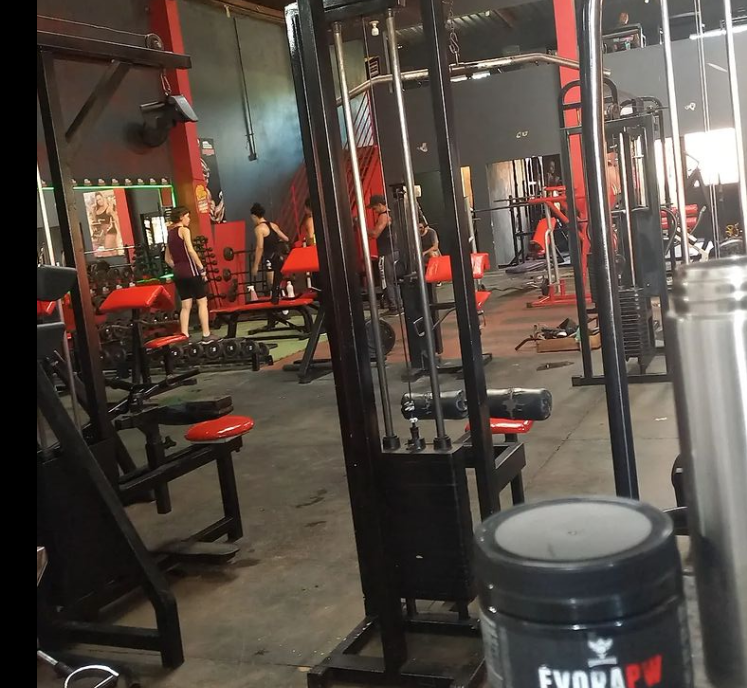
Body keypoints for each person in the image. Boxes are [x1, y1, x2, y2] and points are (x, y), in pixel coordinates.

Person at [164, 206, 217, 343]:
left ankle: (184, 336)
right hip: (191, 271)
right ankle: (206, 335)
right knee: (202, 302)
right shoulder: (184, 230)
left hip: (178, 274)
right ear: (181, 217)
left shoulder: (170, 234)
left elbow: (167, 259)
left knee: (185, 306)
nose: (189, 219)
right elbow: (191, 250)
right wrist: (201, 268)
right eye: (187, 216)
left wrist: (178, 267)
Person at [367, 194, 402, 314]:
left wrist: (361, 226)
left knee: (387, 281)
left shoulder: (383, 216)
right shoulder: (391, 214)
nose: (374, 211)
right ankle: (398, 305)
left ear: (379, 205)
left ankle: (393, 306)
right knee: (394, 280)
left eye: (374, 208)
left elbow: (375, 234)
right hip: (394, 251)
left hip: (386, 253)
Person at [251, 202, 290, 304]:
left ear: (254, 216)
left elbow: (260, 247)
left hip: (270, 258)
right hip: (279, 257)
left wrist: (256, 265)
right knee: (277, 282)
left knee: (272, 283)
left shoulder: (259, 229)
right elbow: (286, 238)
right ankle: (281, 302)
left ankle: (277, 303)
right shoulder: (273, 225)